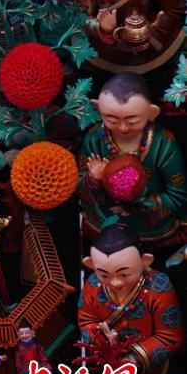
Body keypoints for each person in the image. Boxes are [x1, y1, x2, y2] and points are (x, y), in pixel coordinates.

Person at [79, 224, 185, 374]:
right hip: (115, 364)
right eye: (104, 275)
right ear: (91, 265)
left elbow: (171, 336)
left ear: (145, 262)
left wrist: (135, 357)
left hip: (157, 363)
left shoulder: (158, 285)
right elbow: (86, 321)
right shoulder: (93, 285)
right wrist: (103, 342)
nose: (115, 283)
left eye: (124, 274)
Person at [80, 72, 187, 252]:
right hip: (106, 217)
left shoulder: (163, 143)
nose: (123, 128)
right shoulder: (94, 138)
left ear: (152, 113)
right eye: (112, 120)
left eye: (132, 121)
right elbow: (77, 182)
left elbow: (178, 194)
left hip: (152, 223)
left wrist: (139, 206)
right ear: (98, 109)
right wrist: (93, 179)